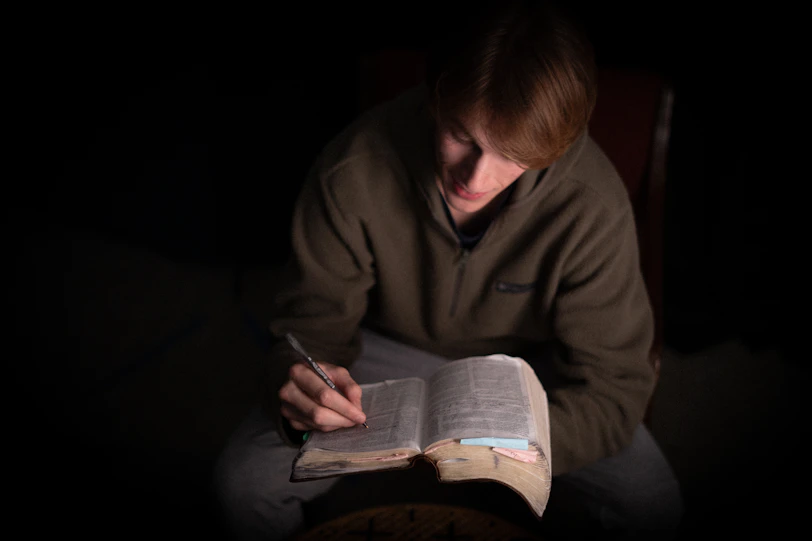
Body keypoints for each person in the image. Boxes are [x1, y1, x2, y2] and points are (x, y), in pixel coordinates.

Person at [213, 2, 683, 539]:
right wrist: (298, 386)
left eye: (512, 156)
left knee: (652, 501)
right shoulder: (354, 167)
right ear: (437, 97)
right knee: (241, 482)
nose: (476, 177)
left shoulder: (592, 204)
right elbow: (306, 333)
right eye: (462, 135)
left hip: (527, 374)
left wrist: (499, 452)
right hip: (381, 357)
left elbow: (616, 390)